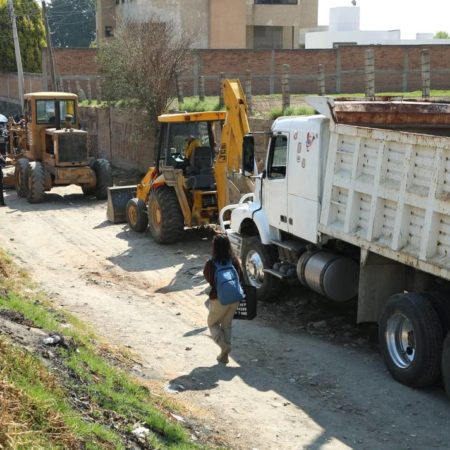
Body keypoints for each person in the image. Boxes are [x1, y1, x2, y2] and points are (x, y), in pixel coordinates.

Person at [203, 234, 244, 364]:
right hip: (235, 298)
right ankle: (224, 356)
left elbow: (209, 279)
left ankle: (224, 347)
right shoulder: (235, 260)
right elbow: (241, 277)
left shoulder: (211, 263)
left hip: (219, 299)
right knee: (227, 324)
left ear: (214, 247)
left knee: (212, 323)